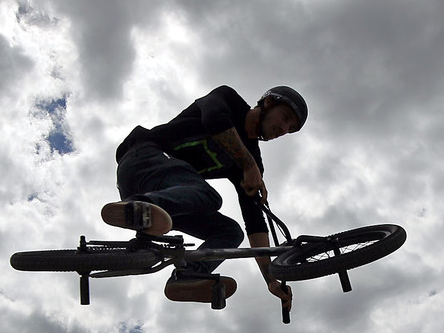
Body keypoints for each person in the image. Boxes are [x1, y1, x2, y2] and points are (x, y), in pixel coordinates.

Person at [105, 85, 306, 307]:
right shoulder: (228, 100)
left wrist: (270, 279)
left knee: (230, 232)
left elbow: (254, 222)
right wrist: (248, 165)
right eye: (285, 117)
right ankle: (137, 208)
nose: (284, 129)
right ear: (268, 103)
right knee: (209, 196)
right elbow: (214, 119)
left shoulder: (252, 163)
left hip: (168, 199)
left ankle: (187, 275)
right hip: (143, 157)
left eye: (290, 128)